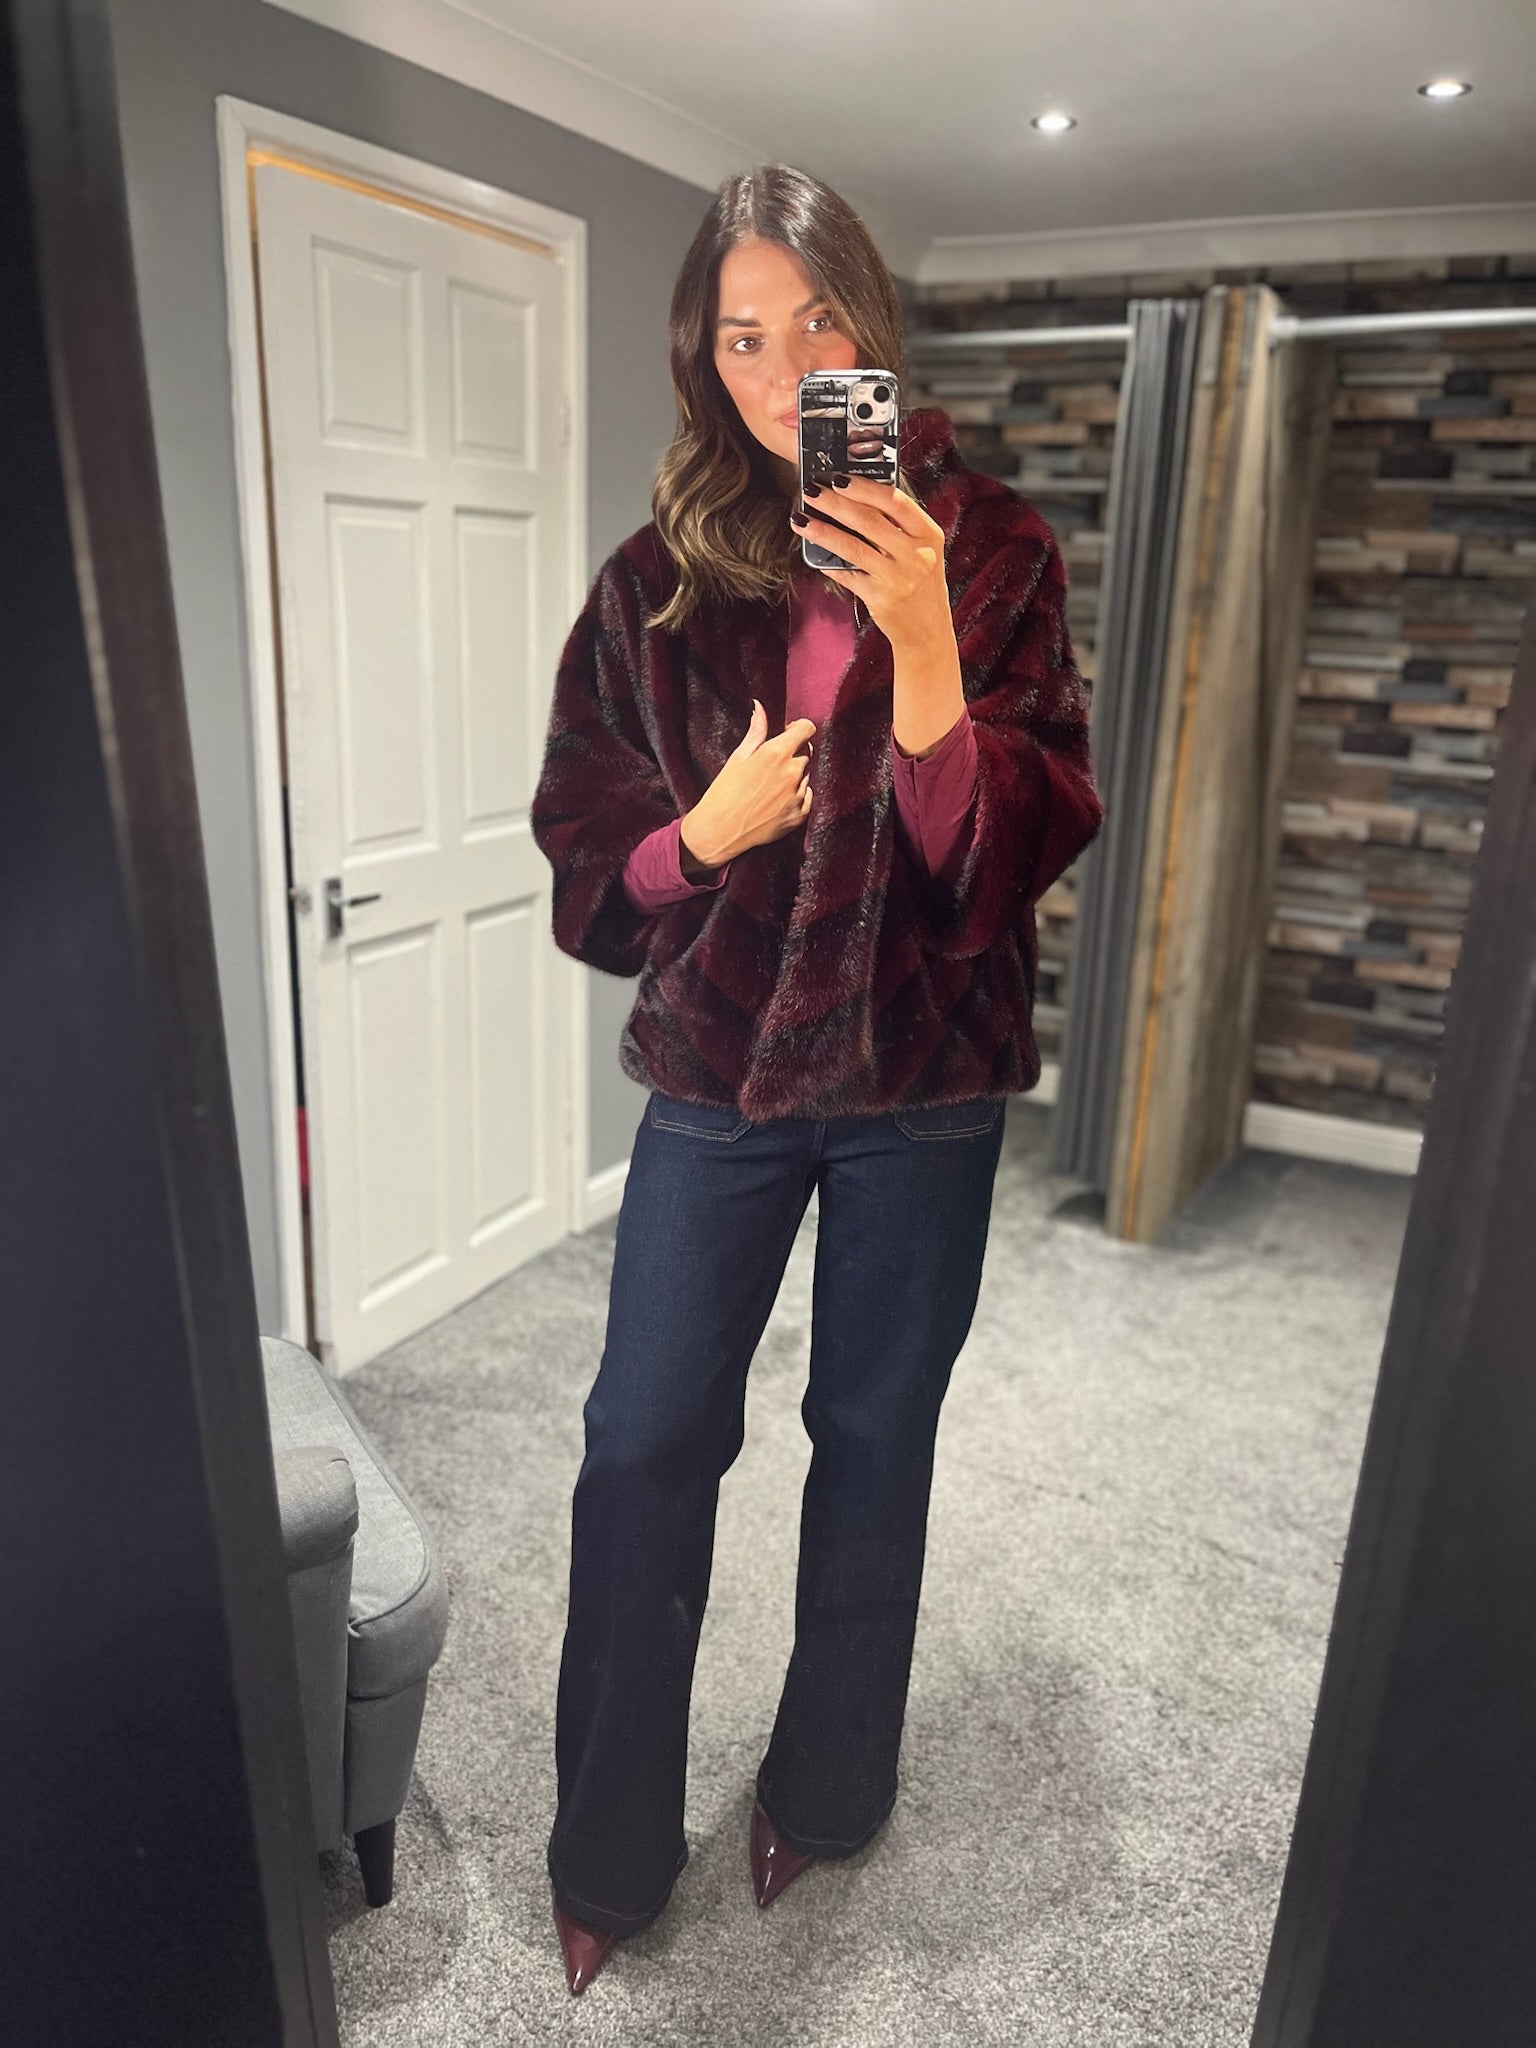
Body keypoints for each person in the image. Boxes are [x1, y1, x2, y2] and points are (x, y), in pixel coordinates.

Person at [528, 162, 1105, 1997]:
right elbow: (584, 850)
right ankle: (610, 1846)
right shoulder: (656, 580)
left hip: (927, 1085)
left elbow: (1015, 851)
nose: (786, 372)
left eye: (818, 324)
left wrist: (926, 644)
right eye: (743, 337)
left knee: (873, 1440)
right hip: (717, 1081)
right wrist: (696, 838)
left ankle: (831, 1787)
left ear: (873, 329)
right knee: (641, 1444)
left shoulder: (995, 553)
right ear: (702, 357)